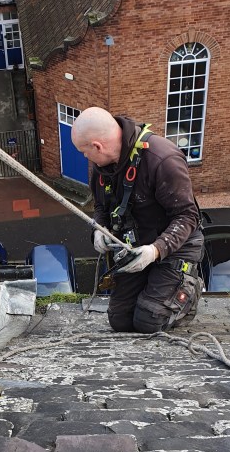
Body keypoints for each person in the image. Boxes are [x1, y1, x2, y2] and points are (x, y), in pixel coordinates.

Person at [71, 107, 204, 333]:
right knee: (120, 320)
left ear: (97, 146)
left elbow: (187, 215)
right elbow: (102, 206)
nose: (85, 157)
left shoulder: (162, 160)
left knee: (148, 321)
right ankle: (155, 287)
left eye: (85, 151)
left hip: (174, 246)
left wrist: (156, 251)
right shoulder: (102, 169)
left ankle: (186, 293)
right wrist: (99, 229)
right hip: (136, 247)